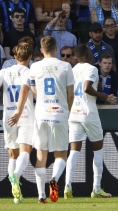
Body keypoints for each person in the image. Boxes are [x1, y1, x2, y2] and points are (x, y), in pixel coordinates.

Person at [21, 36, 74, 203]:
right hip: (60, 113)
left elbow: (34, 92)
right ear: (56, 48)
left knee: (41, 155)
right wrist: (68, 111)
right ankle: (54, 179)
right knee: (61, 154)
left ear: (42, 50)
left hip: (41, 114)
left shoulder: (34, 67)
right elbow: (70, 94)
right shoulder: (66, 66)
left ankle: (41, 195)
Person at [0, 43, 33, 204]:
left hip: (8, 115)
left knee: (12, 155)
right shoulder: (29, 72)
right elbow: (24, 90)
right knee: (25, 151)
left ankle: (16, 195)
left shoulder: (3, 71)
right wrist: (18, 111)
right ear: (30, 57)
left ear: (15, 57)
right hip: (24, 114)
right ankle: (16, 175)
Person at [64, 44, 115, 199]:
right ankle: (96, 189)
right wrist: (103, 95)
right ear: (87, 55)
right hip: (88, 113)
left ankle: (67, 187)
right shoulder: (91, 69)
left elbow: (71, 92)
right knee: (98, 150)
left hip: (74, 112)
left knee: (73, 151)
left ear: (75, 57)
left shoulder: (72, 70)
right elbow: (86, 88)